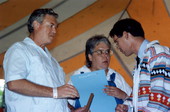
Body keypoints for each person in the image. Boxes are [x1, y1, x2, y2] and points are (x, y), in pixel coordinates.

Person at [3, 8, 86, 112]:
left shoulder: (53, 62)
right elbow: (14, 83)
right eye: (51, 25)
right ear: (36, 25)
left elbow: (58, 96)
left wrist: (72, 110)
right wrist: (55, 92)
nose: (55, 31)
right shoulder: (19, 49)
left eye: (56, 27)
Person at [109, 18, 170, 112]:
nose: (118, 47)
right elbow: (141, 99)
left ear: (126, 35)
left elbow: (160, 100)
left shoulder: (157, 53)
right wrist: (128, 107)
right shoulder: (141, 62)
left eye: (117, 42)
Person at [68, 35, 132, 108]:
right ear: (90, 56)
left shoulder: (115, 76)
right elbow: (66, 105)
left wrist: (123, 95)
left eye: (107, 52)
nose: (105, 55)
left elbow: (135, 102)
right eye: (100, 52)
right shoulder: (78, 77)